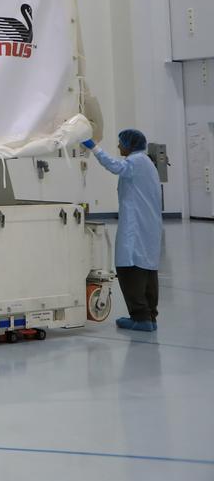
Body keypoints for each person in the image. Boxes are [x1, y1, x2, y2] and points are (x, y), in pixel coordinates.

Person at [83, 128, 163, 332]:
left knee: (129, 270)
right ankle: (150, 317)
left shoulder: (135, 162)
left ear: (129, 145)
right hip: (149, 227)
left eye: (121, 143)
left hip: (136, 227)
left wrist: (93, 147)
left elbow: (115, 166)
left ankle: (140, 318)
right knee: (147, 271)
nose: (118, 146)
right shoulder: (147, 163)